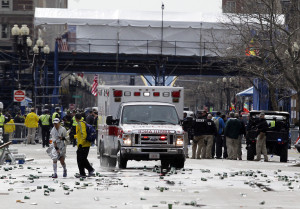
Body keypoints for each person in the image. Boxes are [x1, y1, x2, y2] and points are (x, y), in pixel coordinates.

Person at [74, 113, 95, 178]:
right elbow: (80, 134)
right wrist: (75, 137)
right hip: (84, 144)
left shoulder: (81, 123)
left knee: (81, 159)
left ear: (76, 118)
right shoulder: (82, 123)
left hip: (83, 145)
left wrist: (81, 144)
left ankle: (89, 170)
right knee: (82, 159)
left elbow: (84, 134)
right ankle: (83, 173)